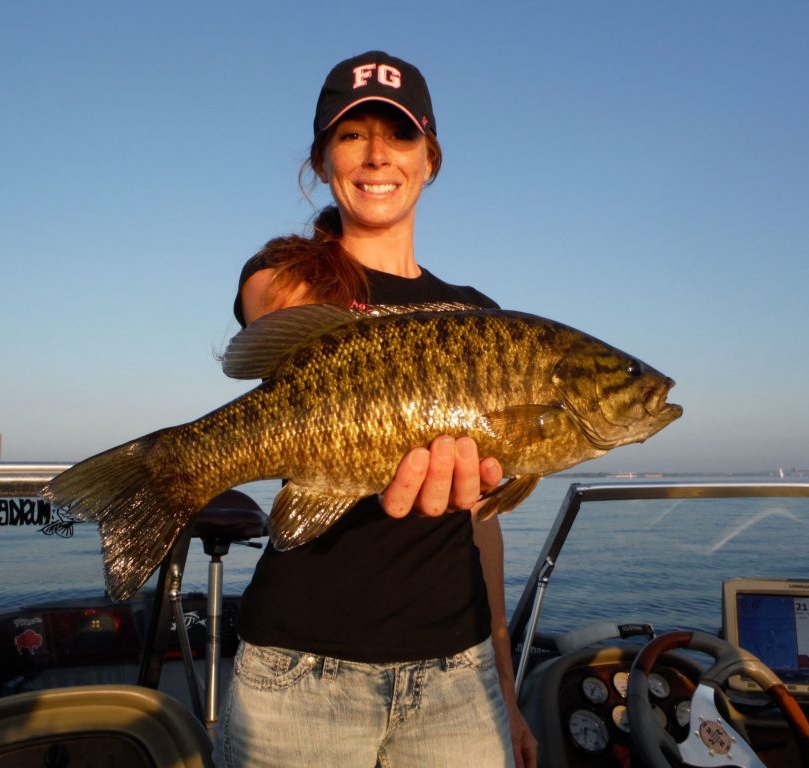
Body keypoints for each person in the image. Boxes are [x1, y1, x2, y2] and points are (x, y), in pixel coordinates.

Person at [218, 51, 537, 768]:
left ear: (430, 158)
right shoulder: (290, 275)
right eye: (351, 135)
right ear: (323, 159)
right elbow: (274, 311)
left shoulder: (480, 320)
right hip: (298, 675)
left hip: (459, 679)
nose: (375, 156)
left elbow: (483, 531)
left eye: (397, 136)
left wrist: (506, 689)